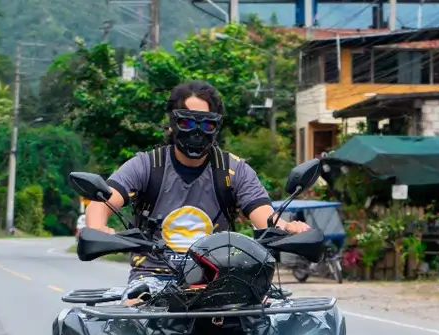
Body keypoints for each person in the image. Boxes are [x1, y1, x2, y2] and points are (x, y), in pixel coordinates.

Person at [83, 80, 310, 300]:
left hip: (219, 278)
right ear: (172, 123)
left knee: (268, 320)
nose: (197, 132)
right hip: (153, 277)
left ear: (216, 126)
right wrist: (98, 228)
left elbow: (265, 217)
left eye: (206, 124)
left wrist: (287, 228)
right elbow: (103, 201)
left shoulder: (234, 170)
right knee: (132, 317)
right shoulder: (147, 165)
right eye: (188, 123)